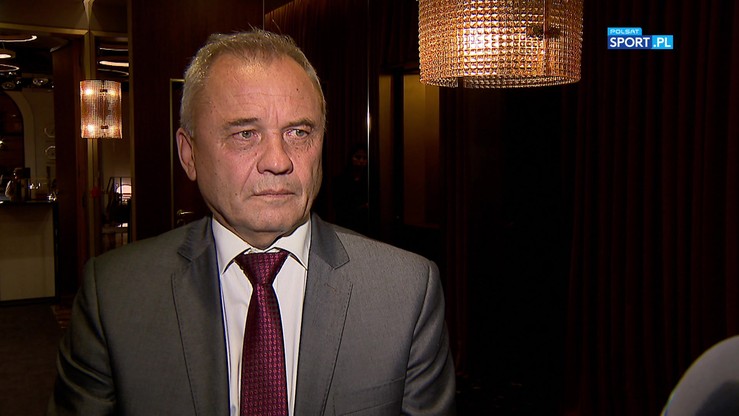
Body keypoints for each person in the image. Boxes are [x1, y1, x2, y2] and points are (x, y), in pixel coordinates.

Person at [49, 29, 456, 415]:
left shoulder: (405, 292)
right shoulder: (115, 297)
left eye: (298, 132)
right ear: (189, 155)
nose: (278, 161)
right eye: (245, 134)